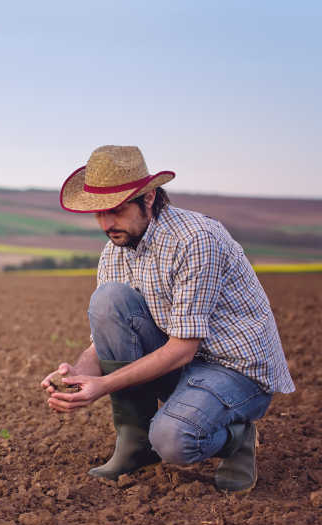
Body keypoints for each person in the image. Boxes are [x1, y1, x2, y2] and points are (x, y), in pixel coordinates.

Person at [41, 145, 294, 493]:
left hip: (235, 369)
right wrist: (76, 376)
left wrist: (102, 387)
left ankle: (237, 439)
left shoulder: (195, 240)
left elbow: (181, 351)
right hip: (181, 362)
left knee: (174, 442)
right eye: (99, 214)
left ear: (148, 199)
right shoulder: (116, 249)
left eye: (116, 211)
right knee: (109, 299)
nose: (106, 224)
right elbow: (103, 340)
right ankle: (134, 448)